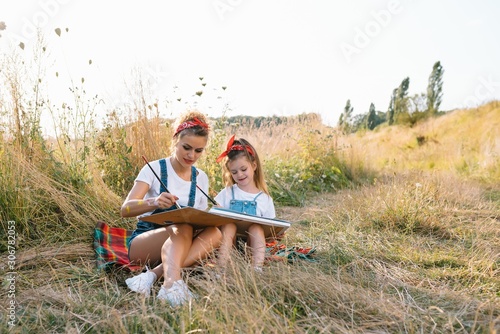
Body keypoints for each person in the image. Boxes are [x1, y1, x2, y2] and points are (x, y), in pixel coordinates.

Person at [121, 110, 222, 306]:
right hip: (145, 242)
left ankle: (151, 276)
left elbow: (199, 218)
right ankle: (170, 285)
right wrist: (154, 202)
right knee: (182, 227)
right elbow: (125, 209)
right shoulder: (154, 168)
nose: (192, 155)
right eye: (186, 147)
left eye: (198, 150)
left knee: (215, 233)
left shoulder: (201, 178)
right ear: (176, 140)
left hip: (181, 242)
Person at [214, 135, 275, 271]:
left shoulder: (264, 199)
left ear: (253, 166)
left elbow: (270, 229)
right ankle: (221, 267)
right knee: (229, 225)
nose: (240, 175)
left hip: (252, 247)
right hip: (230, 244)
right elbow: (215, 217)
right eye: (234, 172)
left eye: (243, 169)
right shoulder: (228, 193)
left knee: (256, 228)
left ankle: (257, 268)